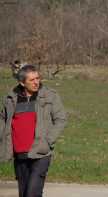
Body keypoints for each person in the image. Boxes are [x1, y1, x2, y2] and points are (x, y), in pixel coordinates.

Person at [0, 63, 67, 197]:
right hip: (19, 154)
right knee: (24, 193)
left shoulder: (50, 95)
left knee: (32, 193)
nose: (37, 82)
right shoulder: (10, 98)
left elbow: (61, 119)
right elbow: (2, 118)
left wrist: (48, 140)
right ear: (22, 83)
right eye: (32, 80)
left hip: (40, 153)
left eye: (38, 78)